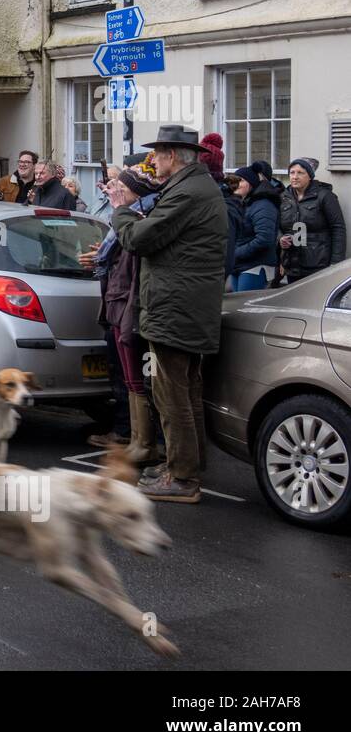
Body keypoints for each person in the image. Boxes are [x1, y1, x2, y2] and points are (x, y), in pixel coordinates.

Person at [109, 125, 227, 504]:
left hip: (176, 311)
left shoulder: (189, 191)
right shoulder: (192, 187)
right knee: (184, 392)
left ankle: (182, 477)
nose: (153, 161)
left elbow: (140, 238)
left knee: (172, 394)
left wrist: (122, 211)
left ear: (172, 155)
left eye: (157, 154)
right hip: (182, 310)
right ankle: (184, 467)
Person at [90, 168, 161, 461]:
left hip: (127, 307)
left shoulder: (134, 222)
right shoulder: (122, 221)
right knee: (131, 378)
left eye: (121, 185)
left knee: (140, 378)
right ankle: (137, 439)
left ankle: (145, 443)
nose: (113, 188)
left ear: (134, 193)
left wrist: (128, 313)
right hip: (117, 304)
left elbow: (133, 272)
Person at [279, 157, 346, 285]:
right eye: (292, 173)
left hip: (318, 265)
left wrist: (336, 263)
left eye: (300, 173)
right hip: (292, 265)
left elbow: (338, 228)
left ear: (310, 176)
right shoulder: (284, 197)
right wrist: (280, 239)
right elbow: (278, 226)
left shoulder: (325, 196)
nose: (295, 177)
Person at [230, 164, 281, 291]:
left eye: (241, 180)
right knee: (236, 308)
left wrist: (236, 253)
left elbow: (264, 238)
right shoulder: (242, 202)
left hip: (255, 266)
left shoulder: (263, 204)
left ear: (251, 183)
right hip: (238, 265)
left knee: (245, 308)